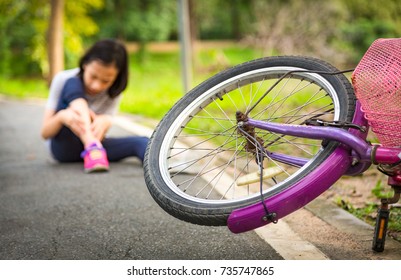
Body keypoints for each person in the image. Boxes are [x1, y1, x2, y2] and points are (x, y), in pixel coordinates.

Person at [41, 39, 149, 173]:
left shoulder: (114, 92)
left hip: (96, 152)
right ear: (85, 64)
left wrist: (106, 121)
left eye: (106, 81)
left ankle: (163, 167)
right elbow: (45, 133)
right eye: (93, 76)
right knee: (72, 82)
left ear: (116, 77)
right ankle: (90, 144)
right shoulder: (64, 79)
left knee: (142, 142)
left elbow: (101, 131)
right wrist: (62, 116)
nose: (96, 86)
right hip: (64, 147)